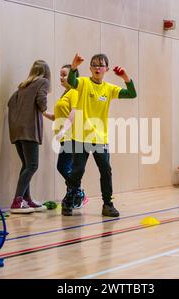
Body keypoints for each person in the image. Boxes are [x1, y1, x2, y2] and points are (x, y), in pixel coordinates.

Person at [61, 53, 137, 217]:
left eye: (100, 65)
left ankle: (108, 204)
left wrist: (125, 77)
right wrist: (74, 66)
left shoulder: (109, 89)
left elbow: (132, 94)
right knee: (77, 171)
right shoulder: (83, 83)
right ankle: (69, 199)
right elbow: (72, 82)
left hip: (100, 138)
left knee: (106, 171)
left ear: (106, 69)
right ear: (90, 68)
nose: (97, 68)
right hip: (81, 136)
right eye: (94, 65)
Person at [7, 60, 51, 214]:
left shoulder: (23, 86)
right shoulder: (43, 82)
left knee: (26, 165)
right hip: (29, 130)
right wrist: (43, 109)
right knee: (32, 165)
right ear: (46, 72)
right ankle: (17, 200)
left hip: (17, 130)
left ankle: (26, 199)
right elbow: (41, 100)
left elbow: (10, 102)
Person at [43, 64, 88, 209]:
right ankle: (74, 192)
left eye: (64, 75)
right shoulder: (65, 94)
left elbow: (73, 113)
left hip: (71, 135)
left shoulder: (74, 92)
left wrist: (64, 130)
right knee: (65, 166)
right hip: (64, 136)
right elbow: (58, 116)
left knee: (63, 166)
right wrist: (42, 112)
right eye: (60, 75)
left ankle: (78, 191)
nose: (61, 77)